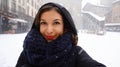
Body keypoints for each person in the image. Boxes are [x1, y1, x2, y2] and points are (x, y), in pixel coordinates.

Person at [16, 2, 106, 67]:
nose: (49, 30)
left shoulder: (76, 53)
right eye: (43, 23)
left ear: (65, 26)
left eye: (56, 23)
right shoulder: (27, 52)